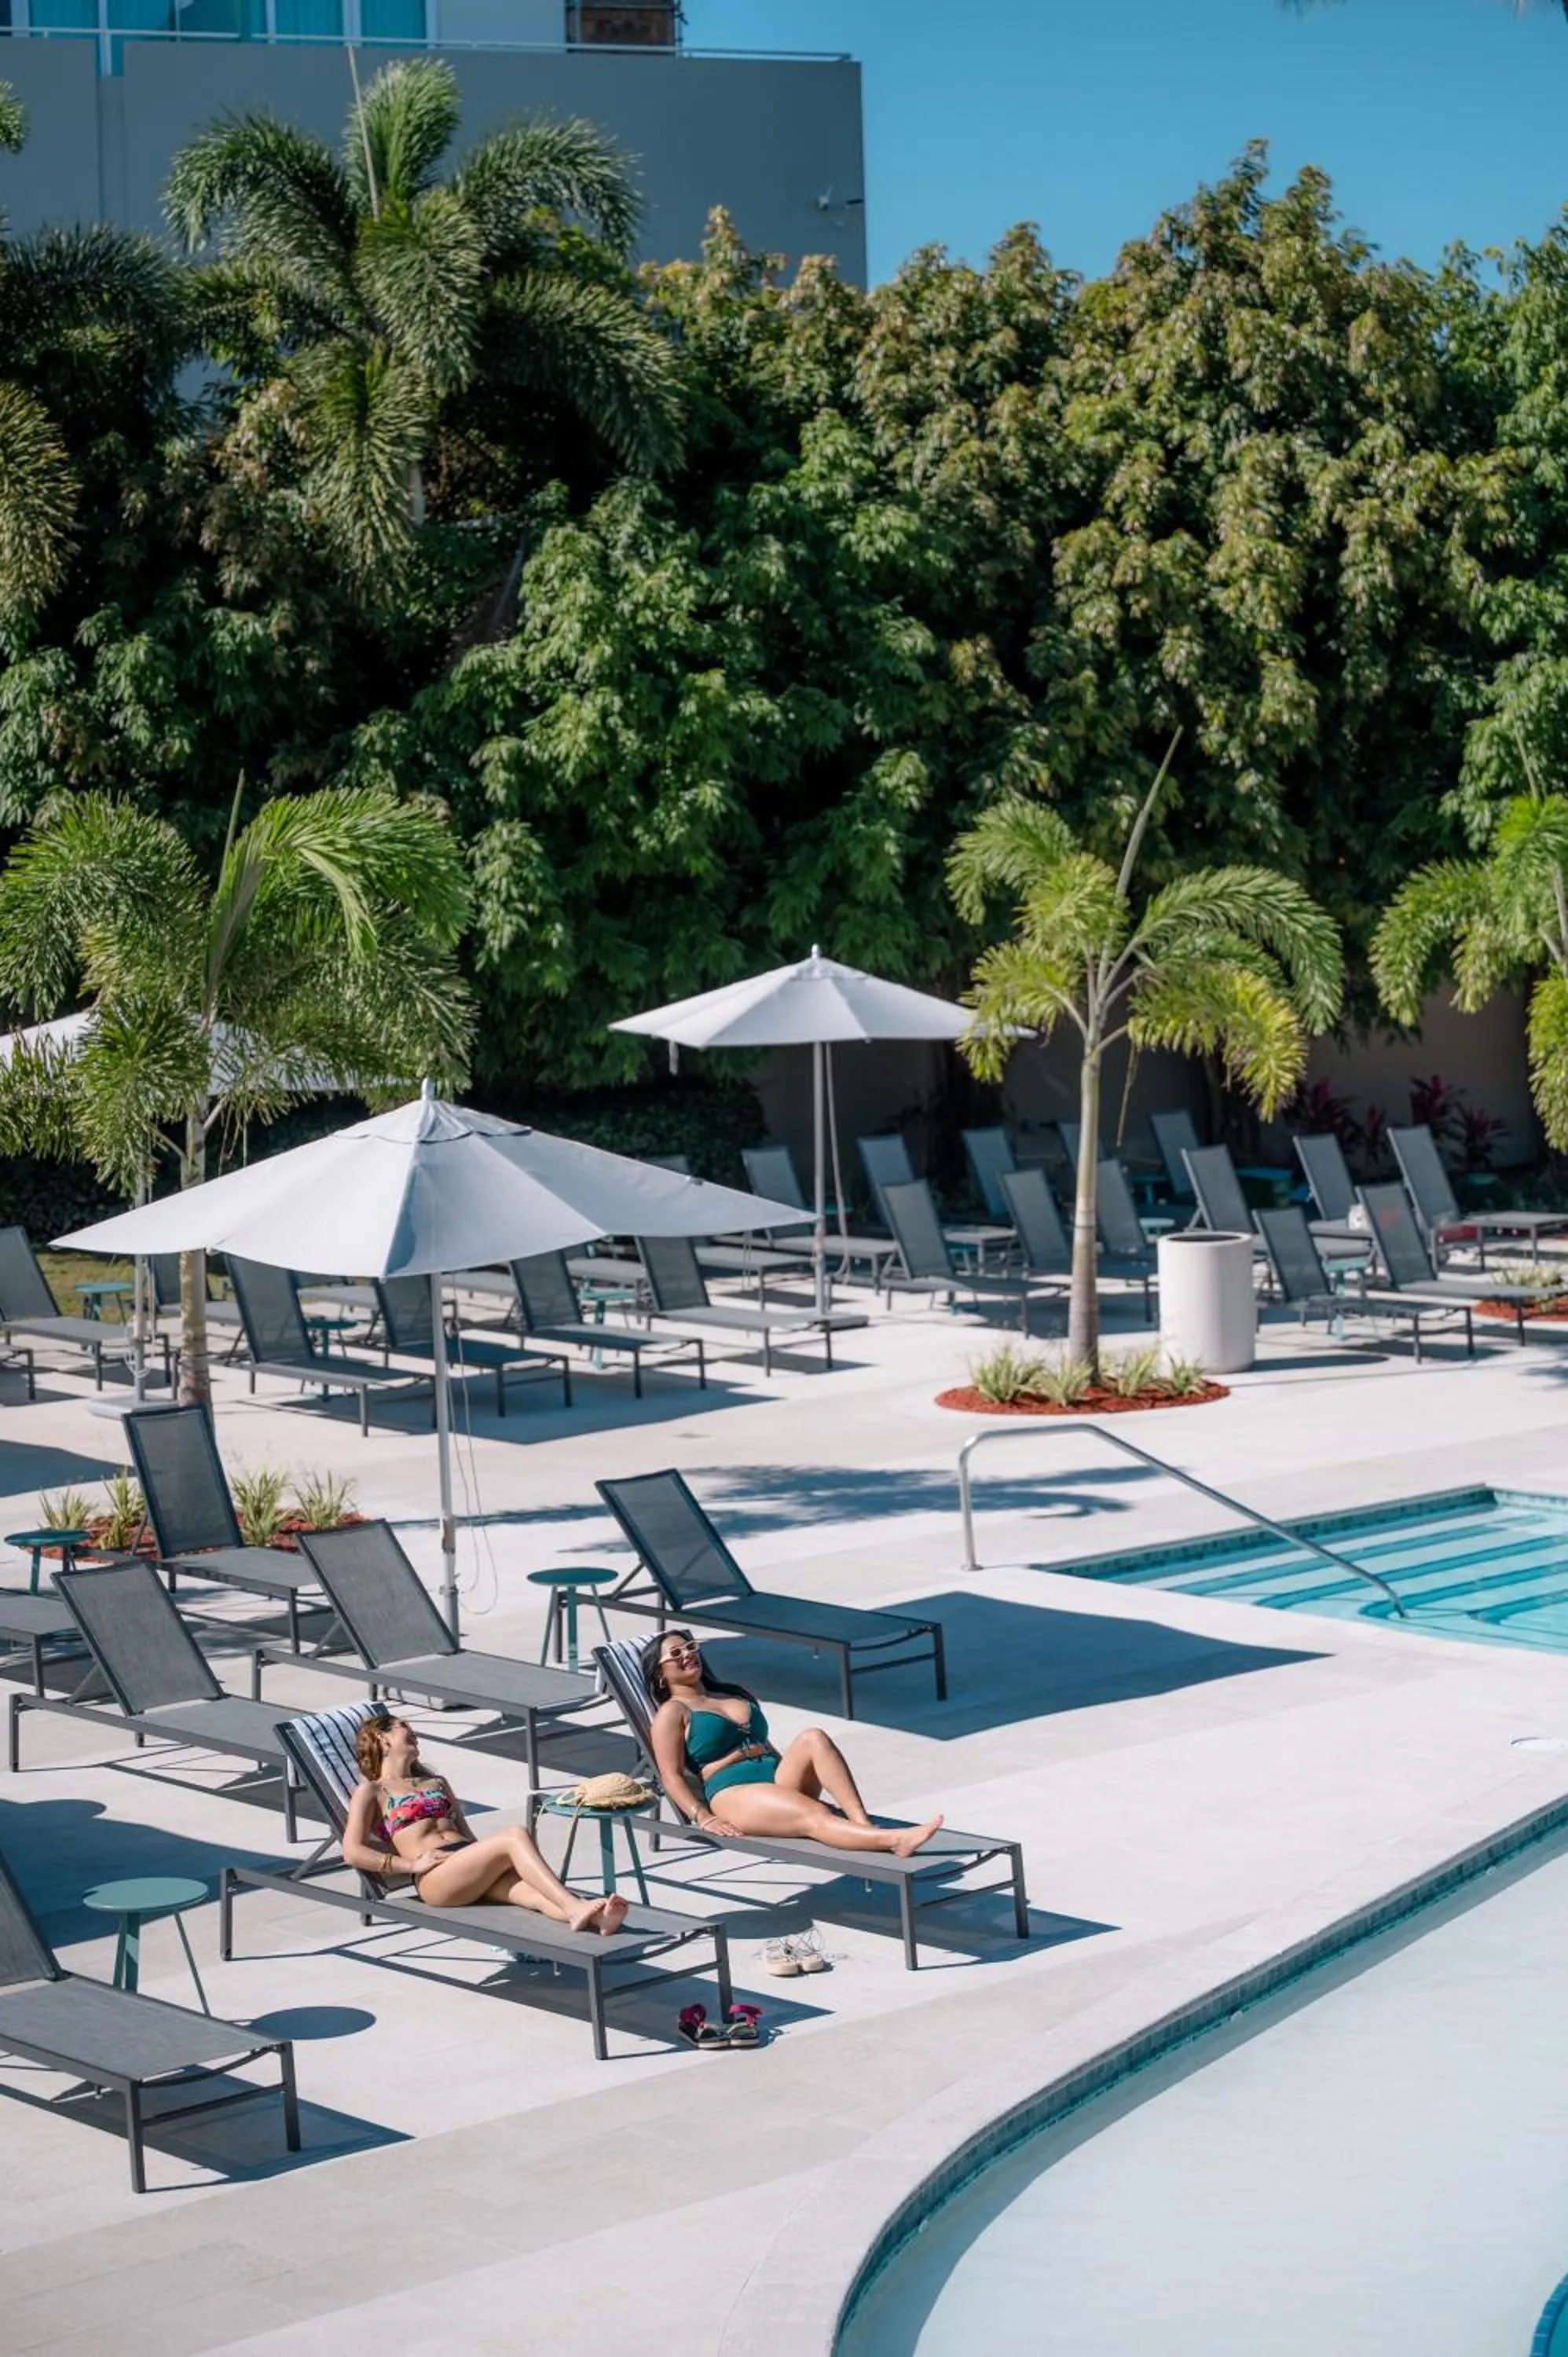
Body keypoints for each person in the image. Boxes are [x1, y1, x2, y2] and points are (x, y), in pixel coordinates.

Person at [643, 1629, 943, 1857]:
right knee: (816, 1815)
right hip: (733, 1792)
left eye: (690, 1647)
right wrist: (703, 1816)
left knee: (813, 1737)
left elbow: (764, 1742)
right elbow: (670, 1776)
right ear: (660, 1674)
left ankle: (862, 1824)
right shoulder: (673, 1712)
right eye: (675, 1654)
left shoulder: (733, 1693)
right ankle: (894, 1840)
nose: (687, 1655)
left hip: (775, 1778)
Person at [343, 1713, 629, 1935]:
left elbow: (466, 1834)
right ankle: (574, 1906)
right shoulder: (373, 1791)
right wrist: (410, 1866)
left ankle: (598, 1919)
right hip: (435, 1877)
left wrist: (493, 1864)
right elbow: (352, 1851)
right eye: (403, 1726)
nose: (413, 1733)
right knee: (514, 1835)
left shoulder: (437, 1783)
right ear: (382, 1737)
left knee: (535, 1894)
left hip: (466, 1863)